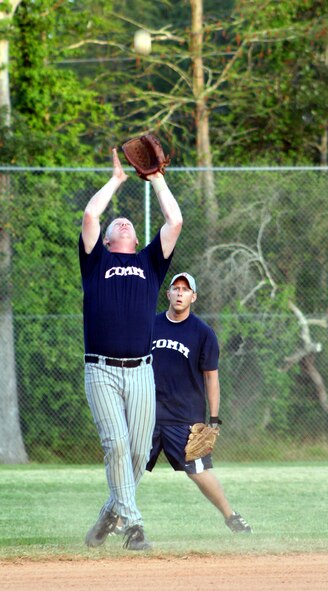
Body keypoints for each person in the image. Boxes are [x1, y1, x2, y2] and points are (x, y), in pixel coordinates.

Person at [79, 148, 183, 551]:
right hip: (101, 369)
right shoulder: (96, 262)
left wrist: (156, 178)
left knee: (138, 453)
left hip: (142, 370)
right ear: (106, 239)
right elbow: (90, 216)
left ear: (138, 239)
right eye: (115, 224)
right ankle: (134, 525)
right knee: (116, 444)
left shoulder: (149, 263)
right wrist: (118, 180)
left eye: (128, 224)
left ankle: (112, 511)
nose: (122, 222)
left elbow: (175, 220)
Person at [146, 272, 252, 535]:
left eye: (186, 289)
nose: (180, 293)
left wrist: (213, 419)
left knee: (198, 471)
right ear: (168, 294)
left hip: (185, 417)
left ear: (193, 296)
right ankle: (118, 518)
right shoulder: (150, 324)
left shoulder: (203, 333)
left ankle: (231, 517)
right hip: (146, 412)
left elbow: (211, 378)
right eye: (175, 288)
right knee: (129, 466)